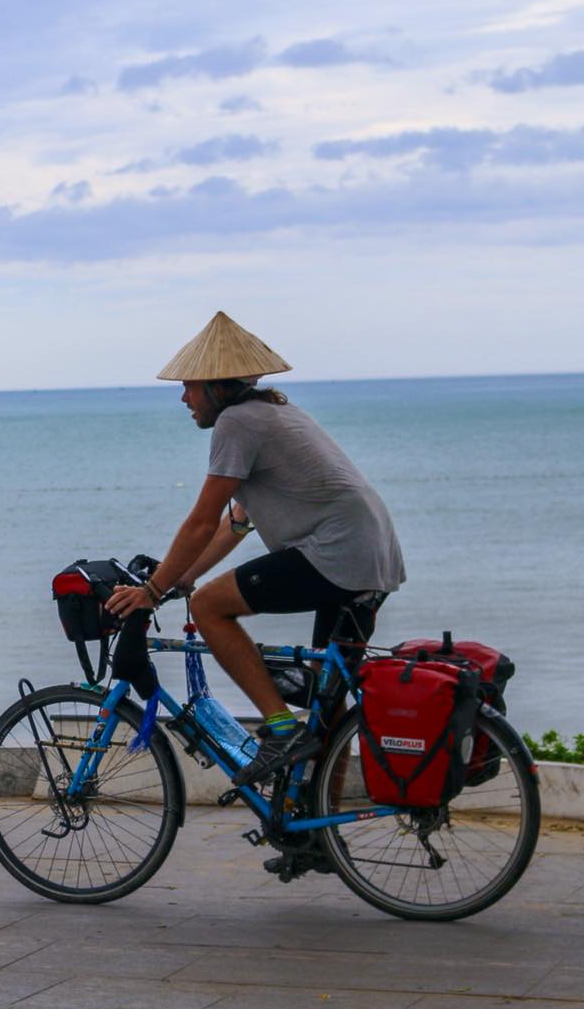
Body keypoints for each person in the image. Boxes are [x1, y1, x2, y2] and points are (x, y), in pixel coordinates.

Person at [106, 312, 405, 788]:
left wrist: (153, 590)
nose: (184, 398)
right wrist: (177, 578)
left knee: (209, 607)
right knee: (328, 702)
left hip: (335, 554)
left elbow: (202, 518)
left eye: (189, 386)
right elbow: (234, 524)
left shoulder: (238, 423)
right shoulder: (274, 412)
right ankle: (317, 825)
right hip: (372, 557)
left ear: (217, 387)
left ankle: (279, 730)